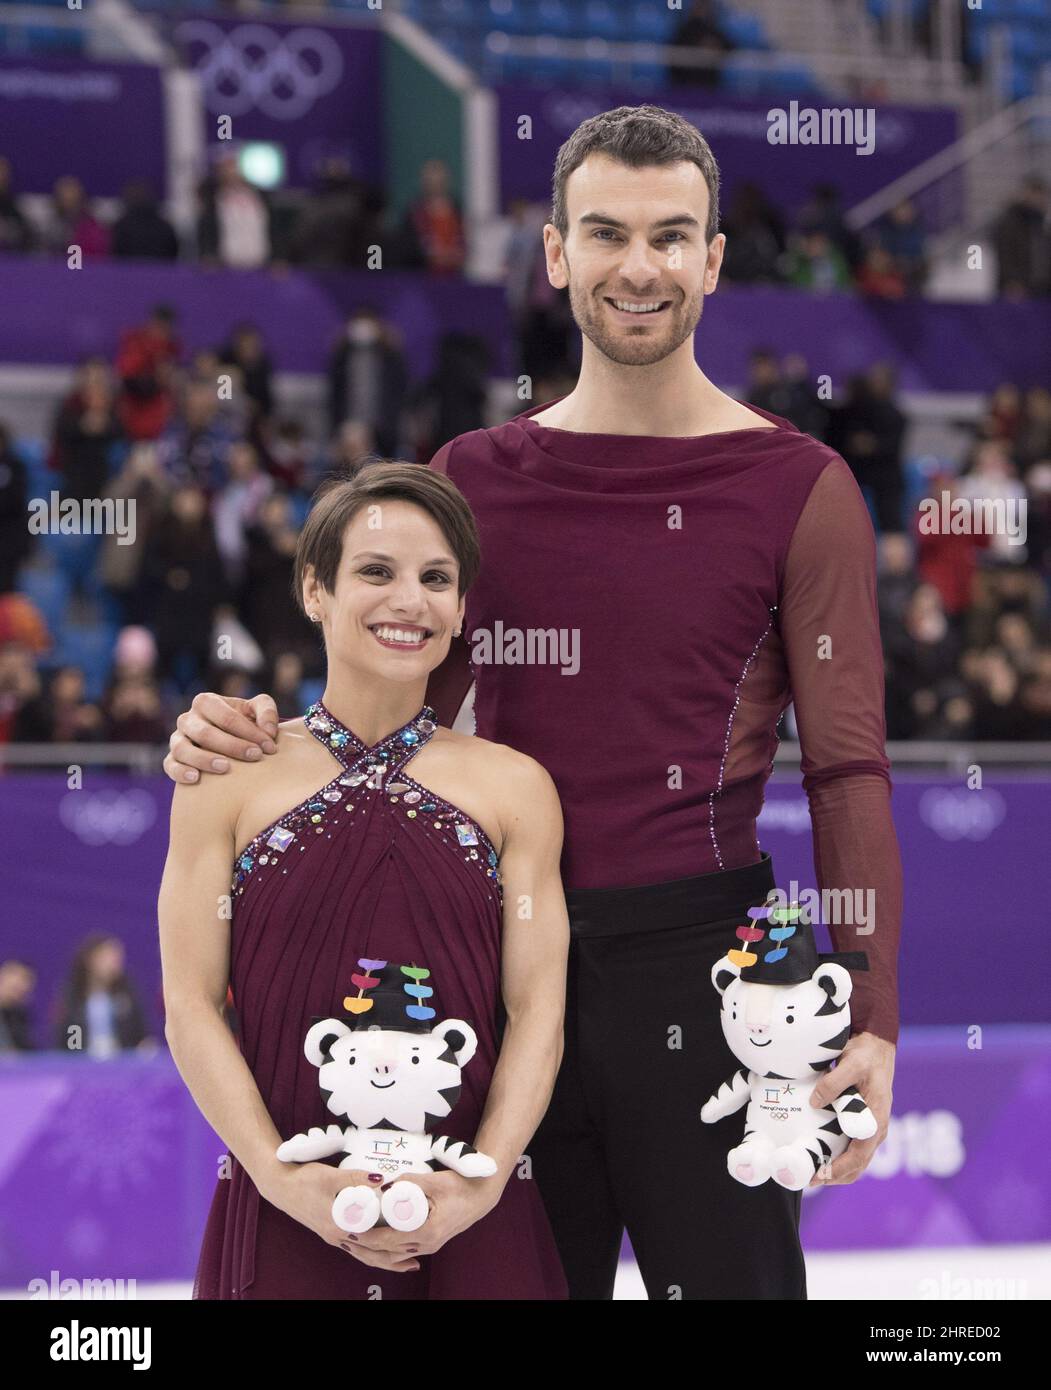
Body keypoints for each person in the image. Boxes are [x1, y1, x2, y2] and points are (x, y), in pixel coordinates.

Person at [163, 104, 903, 1301]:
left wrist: (867, 1009)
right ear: (554, 253)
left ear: (713, 260)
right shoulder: (475, 478)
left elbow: (847, 769)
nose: (639, 266)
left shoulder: (798, 487)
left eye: (672, 236)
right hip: (501, 970)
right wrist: (252, 735)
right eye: (605, 232)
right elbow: (387, 721)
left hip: (711, 980)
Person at [159, 462, 569, 1299]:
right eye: (375, 572)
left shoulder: (515, 787)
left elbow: (537, 1010)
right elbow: (190, 1006)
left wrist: (482, 1183)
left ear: (461, 610)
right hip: (285, 1204)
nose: (408, 601)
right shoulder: (227, 774)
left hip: (466, 1214)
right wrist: (283, 1180)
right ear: (316, 590)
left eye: (436, 579)